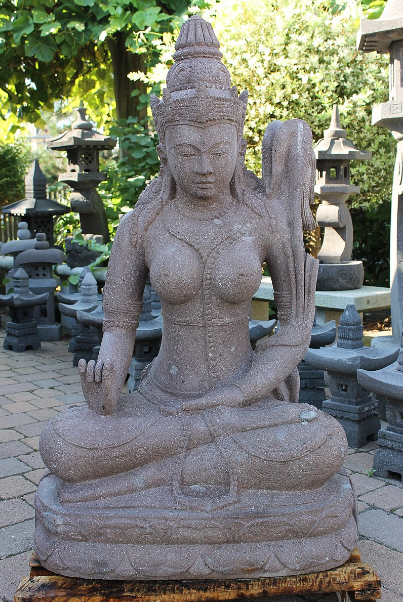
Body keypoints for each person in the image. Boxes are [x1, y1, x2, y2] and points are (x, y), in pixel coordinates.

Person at [36, 15, 356, 579]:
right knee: (64, 442)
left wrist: (234, 398)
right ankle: (188, 464)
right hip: (162, 403)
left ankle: (150, 479)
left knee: (325, 441)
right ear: (165, 149)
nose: (205, 167)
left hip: (246, 404)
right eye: (188, 152)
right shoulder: (141, 224)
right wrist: (107, 381)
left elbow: (292, 329)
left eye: (218, 150)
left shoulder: (265, 219)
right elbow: (118, 325)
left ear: (238, 141)